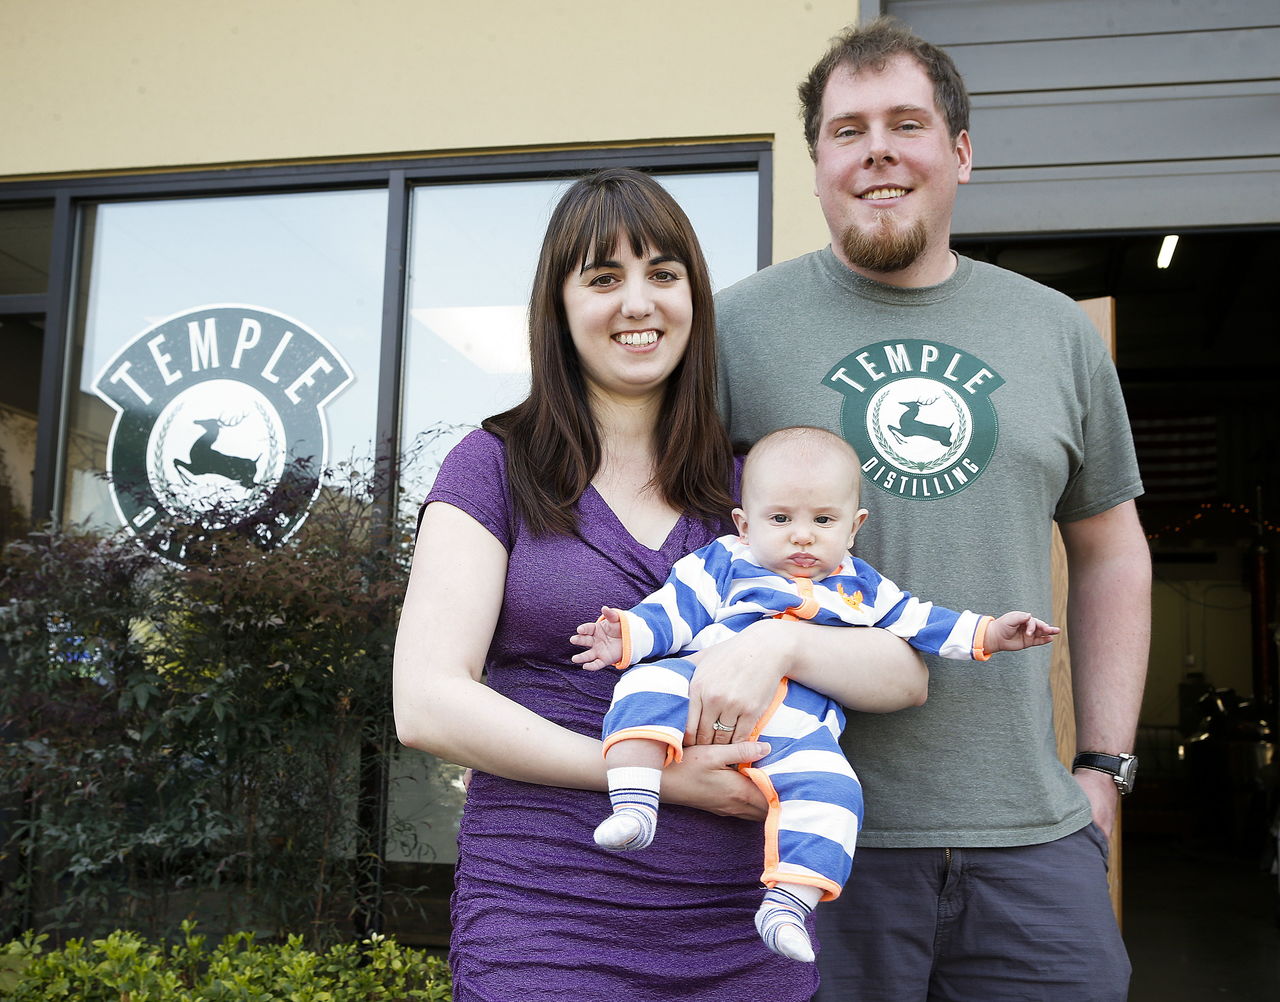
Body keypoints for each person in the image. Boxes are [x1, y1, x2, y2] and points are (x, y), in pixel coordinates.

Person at [392, 168, 927, 1001]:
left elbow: (900, 669)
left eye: (663, 275)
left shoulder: (760, 492)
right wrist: (649, 777)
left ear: (693, 299)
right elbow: (425, 702)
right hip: (546, 910)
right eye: (605, 278)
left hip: (739, 925)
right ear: (560, 307)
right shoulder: (494, 466)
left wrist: (782, 639)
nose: (638, 303)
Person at [710, 17, 1152, 1002]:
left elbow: (1110, 550)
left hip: (1033, 843)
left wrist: (1102, 769)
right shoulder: (735, 332)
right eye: (845, 129)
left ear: (958, 150)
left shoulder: (1051, 332)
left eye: (904, 123)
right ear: (816, 161)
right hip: (807, 839)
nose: (875, 149)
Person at [571, 425, 1057, 965]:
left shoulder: (861, 585)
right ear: (744, 522)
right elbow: (674, 610)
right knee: (645, 682)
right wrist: (627, 636)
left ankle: (787, 903)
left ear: (854, 528)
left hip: (799, 730)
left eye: (823, 521)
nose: (802, 536)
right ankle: (636, 802)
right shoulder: (725, 561)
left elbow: (920, 620)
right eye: (780, 520)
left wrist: (990, 634)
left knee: (836, 791)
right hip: (701, 687)